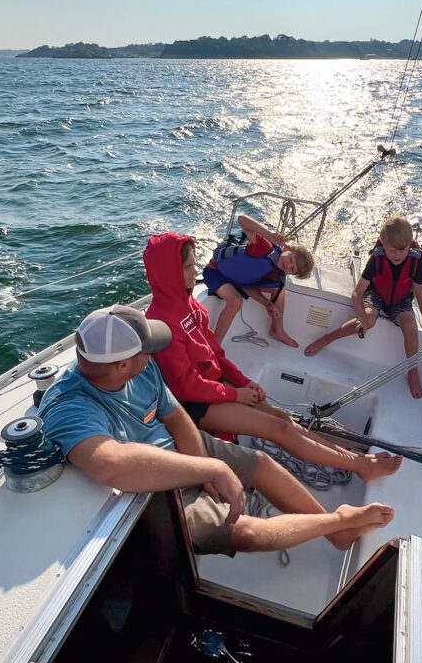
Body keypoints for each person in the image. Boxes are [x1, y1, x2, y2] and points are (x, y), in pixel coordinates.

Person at [37, 304, 395, 556]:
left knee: (262, 465)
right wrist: (211, 469)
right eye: (148, 350)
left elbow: (176, 418)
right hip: (147, 488)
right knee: (248, 533)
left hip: (181, 454)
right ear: (123, 364)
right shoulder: (69, 406)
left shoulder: (141, 369)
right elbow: (109, 465)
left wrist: (204, 468)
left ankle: (338, 536)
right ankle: (337, 521)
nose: (155, 354)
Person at [144, 233, 402, 481]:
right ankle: (360, 466)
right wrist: (236, 395)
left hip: (218, 386)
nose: (194, 271)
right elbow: (184, 386)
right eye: (187, 267)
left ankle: (352, 458)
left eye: (192, 264)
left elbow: (216, 354)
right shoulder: (160, 320)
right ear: (167, 272)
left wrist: (243, 381)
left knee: (282, 418)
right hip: (194, 404)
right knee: (278, 429)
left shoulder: (192, 306)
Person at [305, 216, 422, 399]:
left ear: (410, 246)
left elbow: (420, 290)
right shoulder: (377, 258)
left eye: (402, 251)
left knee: (411, 327)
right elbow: (357, 293)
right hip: (376, 293)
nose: (397, 256)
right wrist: (361, 316)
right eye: (391, 251)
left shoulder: (418, 260)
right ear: (383, 245)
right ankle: (328, 338)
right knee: (368, 319)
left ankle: (412, 371)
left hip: (401, 299)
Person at [202, 215, 314, 347]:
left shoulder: (275, 275)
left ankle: (277, 330)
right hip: (217, 273)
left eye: (292, 269)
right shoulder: (264, 248)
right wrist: (268, 234)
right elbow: (242, 219)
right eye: (290, 260)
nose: (288, 266)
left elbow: (248, 285)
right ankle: (215, 347)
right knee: (235, 301)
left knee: (279, 290)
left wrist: (267, 304)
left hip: (237, 281)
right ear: (287, 249)